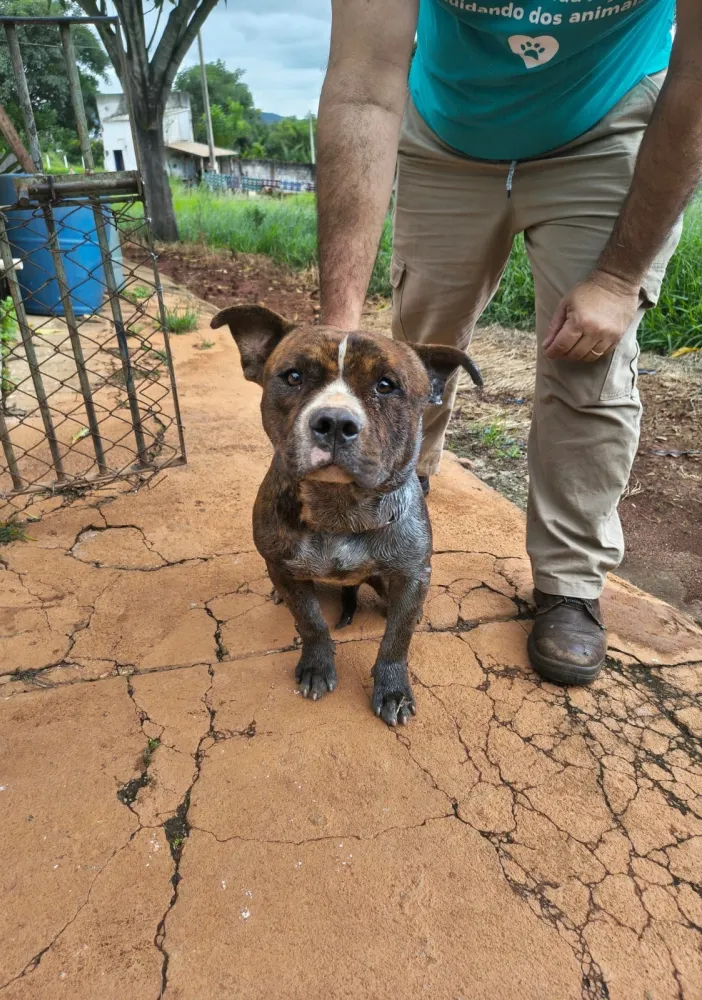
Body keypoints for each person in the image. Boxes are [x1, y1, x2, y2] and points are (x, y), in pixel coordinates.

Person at [315, 0, 700, 686]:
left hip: (604, 123)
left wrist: (617, 278)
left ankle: (569, 583)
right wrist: (338, 319)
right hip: (447, 134)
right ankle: (391, 507)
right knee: (412, 359)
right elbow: (364, 81)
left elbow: (696, 77)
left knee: (589, 365)